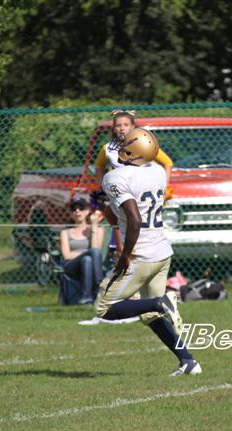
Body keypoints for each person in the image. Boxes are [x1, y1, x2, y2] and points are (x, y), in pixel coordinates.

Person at [96, 127, 201, 376]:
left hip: (141, 254)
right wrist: (111, 211)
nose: (121, 148)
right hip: (161, 251)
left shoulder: (115, 177)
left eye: (126, 145)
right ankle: (188, 361)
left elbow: (135, 219)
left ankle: (162, 302)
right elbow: (128, 213)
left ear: (134, 150)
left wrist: (125, 255)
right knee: (149, 314)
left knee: (105, 309)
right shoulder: (157, 172)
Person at [95, 110, 174, 258]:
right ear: (113, 128)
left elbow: (168, 163)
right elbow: (99, 167)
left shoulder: (142, 145)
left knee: (139, 226)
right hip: (122, 193)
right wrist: (102, 187)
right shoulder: (108, 148)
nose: (122, 128)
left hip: (139, 192)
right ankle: (122, 255)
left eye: (126, 124)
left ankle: (140, 256)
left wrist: (164, 187)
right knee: (120, 226)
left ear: (133, 127)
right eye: (118, 125)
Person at [60, 197, 105, 304]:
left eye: (81, 208)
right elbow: (67, 255)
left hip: (89, 264)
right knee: (91, 254)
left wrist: (94, 226)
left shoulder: (98, 230)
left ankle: (86, 297)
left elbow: (97, 248)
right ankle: (99, 286)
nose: (77, 211)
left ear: (88, 211)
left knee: (87, 260)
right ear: (71, 214)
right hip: (71, 265)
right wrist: (86, 252)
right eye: (74, 209)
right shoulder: (65, 232)